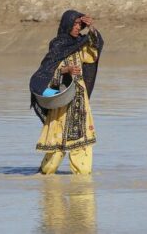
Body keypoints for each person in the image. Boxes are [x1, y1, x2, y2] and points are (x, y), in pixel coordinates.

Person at [29, 9, 104, 175]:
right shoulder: (57, 45)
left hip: (79, 99)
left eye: (80, 24)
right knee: (56, 144)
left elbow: (93, 54)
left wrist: (91, 29)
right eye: (75, 24)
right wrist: (65, 70)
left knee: (82, 144)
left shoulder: (81, 44)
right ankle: (46, 179)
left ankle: (83, 190)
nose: (78, 27)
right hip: (62, 100)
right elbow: (46, 71)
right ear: (67, 25)